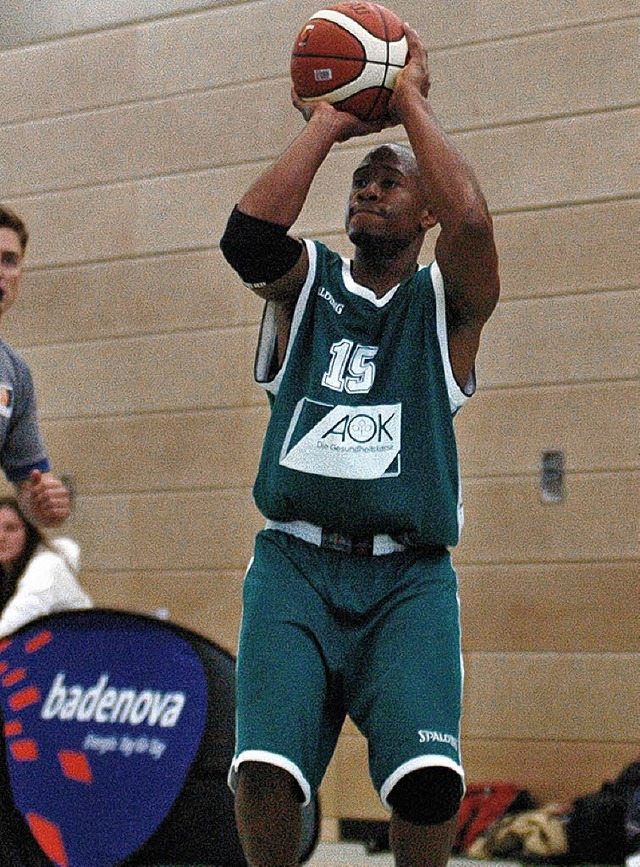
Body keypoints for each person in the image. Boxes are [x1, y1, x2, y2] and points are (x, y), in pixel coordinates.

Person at [220, 21, 499, 867]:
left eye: (389, 180)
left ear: (422, 212)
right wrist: (332, 120)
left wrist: (407, 96)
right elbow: (247, 242)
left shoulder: (444, 305)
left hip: (406, 577)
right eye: (360, 181)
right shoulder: (305, 284)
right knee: (262, 771)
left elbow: (476, 223)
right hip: (295, 568)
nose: (368, 189)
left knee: (426, 784)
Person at [0, 205, 71, 528]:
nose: (0, 271)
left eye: (9, 260)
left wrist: (46, 502)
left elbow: (30, 485)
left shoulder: (15, 373)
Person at [0, 497, 92, 638]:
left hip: (84, 651)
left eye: (11, 529)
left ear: (29, 533)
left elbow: (11, 627)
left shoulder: (46, 567)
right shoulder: (6, 571)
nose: (1, 537)